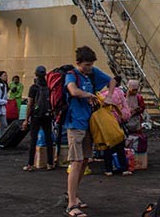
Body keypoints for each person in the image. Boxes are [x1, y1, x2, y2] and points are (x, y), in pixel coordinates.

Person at [64, 46, 116, 217]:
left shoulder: (92, 73)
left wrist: (109, 96)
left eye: (91, 64)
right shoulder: (71, 75)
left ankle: (73, 195)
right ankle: (71, 204)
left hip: (89, 123)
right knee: (76, 162)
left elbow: (112, 80)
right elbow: (72, 90)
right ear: (78, 63)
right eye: (87, 65)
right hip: (75, 123)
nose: (89, 67)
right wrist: (89, 95)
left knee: (85, 160)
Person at [23, 66, 54, 171]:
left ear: (35, 74)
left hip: (36, 115)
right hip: (47, 115)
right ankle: (50, 163)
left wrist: (26, 119)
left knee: (33, 139)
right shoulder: (49, 86)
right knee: (49, 138)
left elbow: (30, 103)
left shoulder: (34, 87)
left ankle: (30, 164)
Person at [100, 75, 132, 177]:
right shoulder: (120, 93)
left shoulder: (103, 95)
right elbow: (125, 106)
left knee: (107, 148)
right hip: (118, 123)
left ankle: (108, 169)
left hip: (107, 123)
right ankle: (124, 169)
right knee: (120, 148)